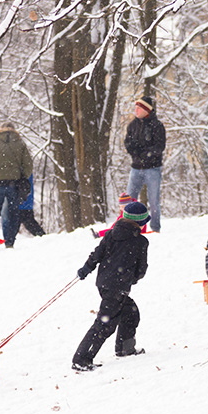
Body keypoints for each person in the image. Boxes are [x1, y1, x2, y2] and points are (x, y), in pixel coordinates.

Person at [72, 202, 151, 371]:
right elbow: (141, 269)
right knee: (105, 324)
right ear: (141, 222)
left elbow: (97, 254)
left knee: (130, 311)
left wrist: (87, 268)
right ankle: (81, 359)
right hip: (118, 286)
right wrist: (132, 278)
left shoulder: (111, 235)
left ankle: (125, 348)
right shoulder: (140, 241)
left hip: (104, 283)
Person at [0, 121, 33, 248]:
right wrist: (22, 177)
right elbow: (28, 164)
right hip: (13, 183)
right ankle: (10, 241)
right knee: (13, 212)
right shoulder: (20, 144)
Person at [124, 96, 165, 233]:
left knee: (154, 200)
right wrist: (135, 153)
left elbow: (159, 147)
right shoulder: (132, 125)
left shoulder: (157, 126)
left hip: (153, 169)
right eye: (135, 107)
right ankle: (129, 226)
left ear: (146, 110)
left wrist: (146, 154)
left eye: (139, 108)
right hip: (135, 168)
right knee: (129, 199)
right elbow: (128, 143)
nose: (136, 110)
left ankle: (155, 228)